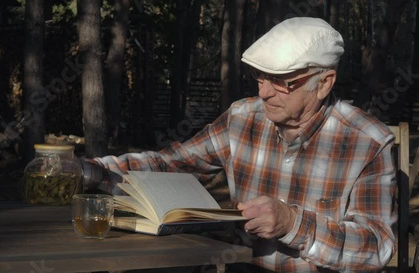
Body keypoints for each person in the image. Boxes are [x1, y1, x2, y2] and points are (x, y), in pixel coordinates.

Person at [81, 17, 397, 272]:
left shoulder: (367, 141)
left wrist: (292, 223)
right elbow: (174, 162)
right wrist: (90, 171)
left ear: (324, 83)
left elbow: (375, 247)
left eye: (281, 82)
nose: (264, 94)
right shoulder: (243, 118)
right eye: (260, 78)